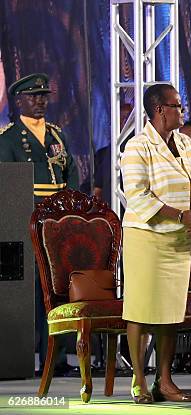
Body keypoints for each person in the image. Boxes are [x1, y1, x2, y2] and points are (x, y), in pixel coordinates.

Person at [121, 84, 191, 404]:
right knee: (141, 311)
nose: (182, 112)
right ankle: (139, 380)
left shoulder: (184, 142)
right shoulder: (137, 146)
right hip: (146, 237)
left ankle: (166, 380)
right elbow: (138, 196)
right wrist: (180, 216)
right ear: (160, 110)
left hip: (178, 241)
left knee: (171, 312)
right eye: (177, 106)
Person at [0, 72, 79, 376]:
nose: (39, 101)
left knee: (56, 293)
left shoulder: (57, 135)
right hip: (24, 227)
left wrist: (68, 207)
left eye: (44, 96)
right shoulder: (8, 139)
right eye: (33, 96)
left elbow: (70, 172)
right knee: (27, 295)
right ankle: (19, 359)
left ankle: (56, 360)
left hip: (57, 226)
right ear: (19, 100)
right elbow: (8, 186)